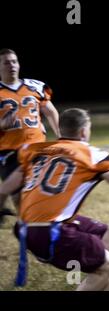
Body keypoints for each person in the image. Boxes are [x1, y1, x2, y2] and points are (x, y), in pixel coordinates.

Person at [0, 108, 109, 290]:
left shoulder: (34, 150)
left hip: (24, 228)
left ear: (60, 130)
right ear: (84, 131)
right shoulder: (92, 155)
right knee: (107, 267)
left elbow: (4, 189)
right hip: (50, 232)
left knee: (107, 235)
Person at [0, 48, 60, 222]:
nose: (11, 65)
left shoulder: (35, 86)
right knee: (19, 197)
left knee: (42, 192)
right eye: (6, 62)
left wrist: (60, 135)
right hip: (9, 152)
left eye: (14, 61)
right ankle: (28, 233)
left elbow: (51, 112)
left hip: (37, 148)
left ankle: (40, 228)